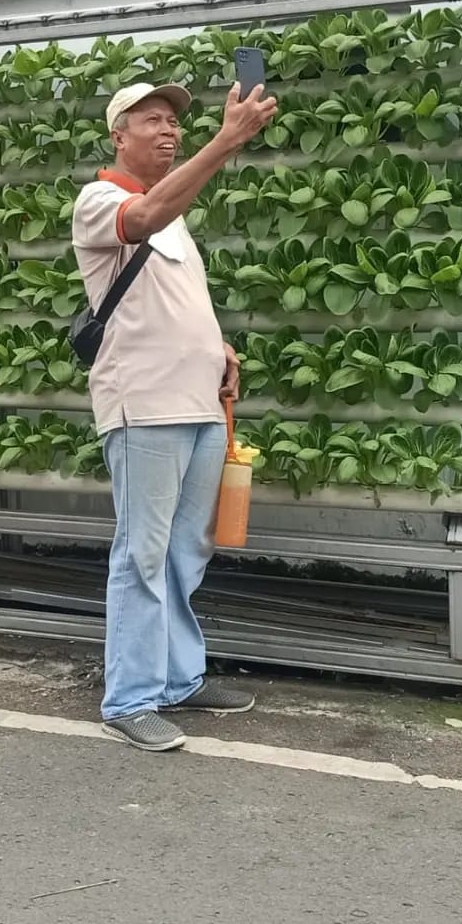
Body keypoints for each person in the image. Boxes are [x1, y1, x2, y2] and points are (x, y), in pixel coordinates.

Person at [71, 77, 278, 751]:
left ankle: (178, 680)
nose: (168, 129)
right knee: (143, 553)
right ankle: (129, 698)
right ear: (117, 135)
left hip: (200, 404)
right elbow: (145, 218)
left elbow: (166, 291)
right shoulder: (101, 200)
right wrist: (229, 139)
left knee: (189, 548)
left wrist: (215, 346)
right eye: (151, 119)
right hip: (147, 407)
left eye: (173, 121)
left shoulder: (176, 211)